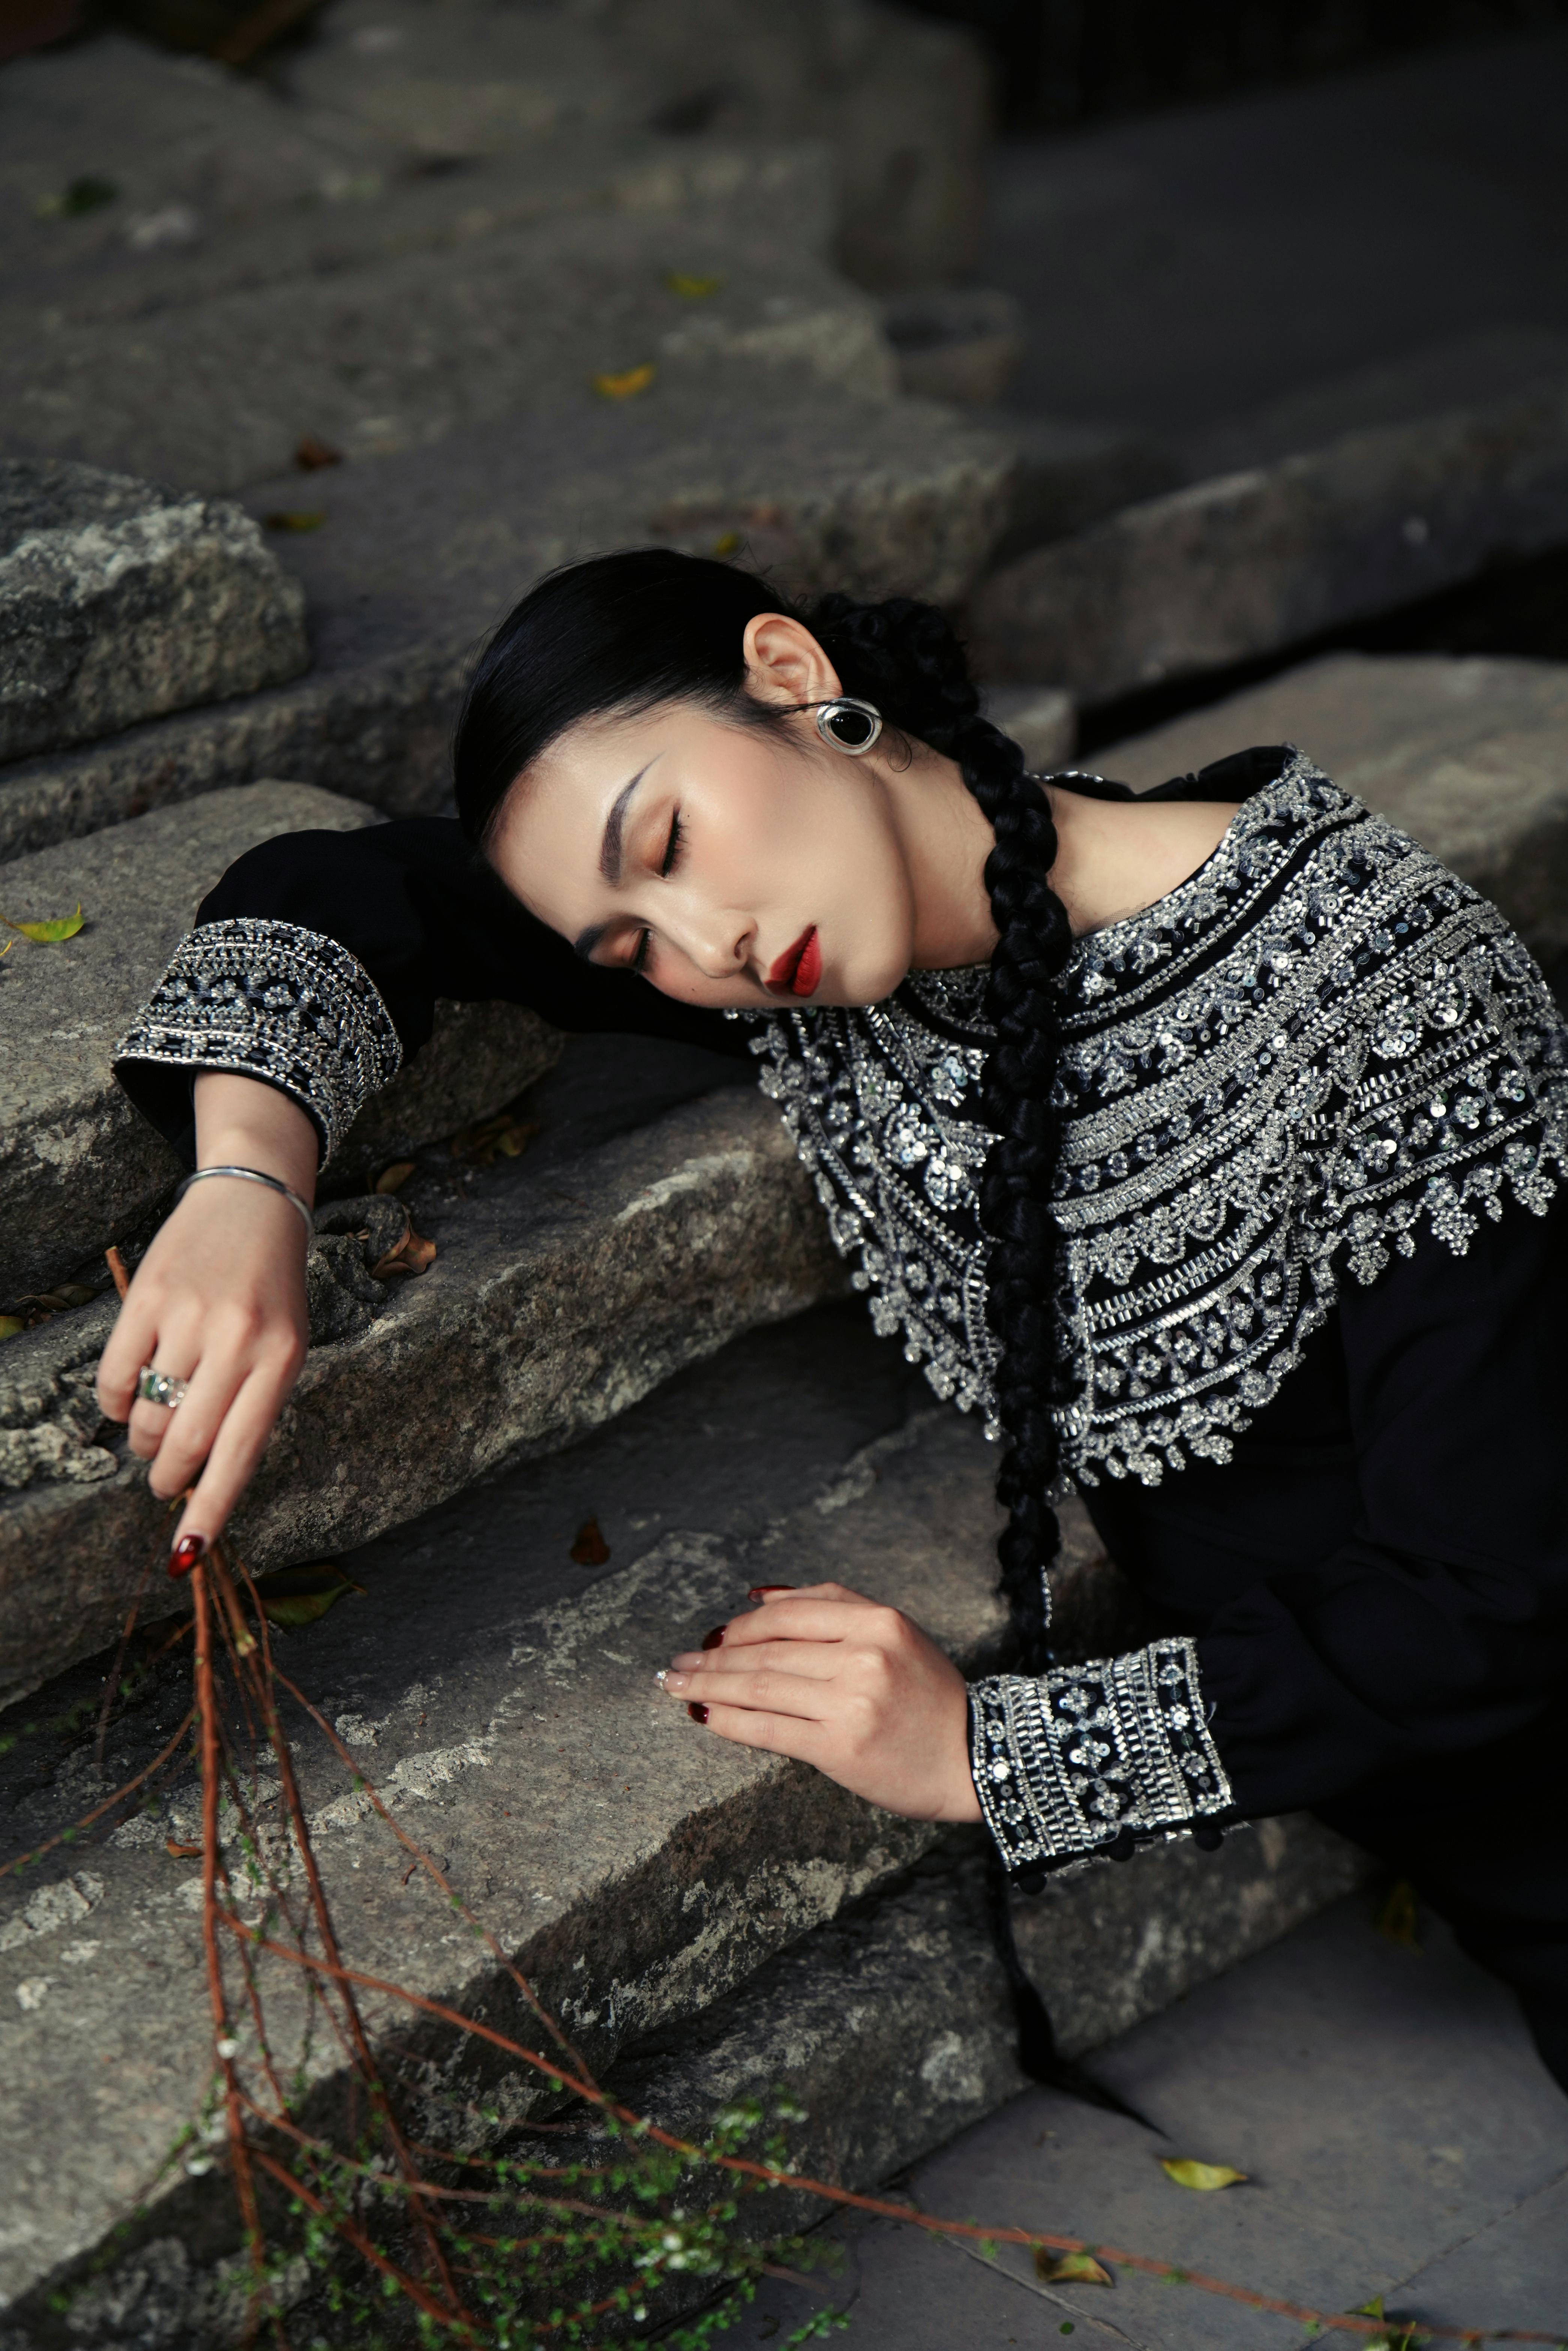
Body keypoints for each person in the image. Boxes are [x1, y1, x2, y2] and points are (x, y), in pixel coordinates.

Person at [100, 551, 1568, 2094]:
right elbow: (334, 886)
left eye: (665, 839)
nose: (698, 945)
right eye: (627, 943)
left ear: (795, 678)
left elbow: (1493, 1595)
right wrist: (249, 1177)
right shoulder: (813, 959)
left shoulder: (1389, 988)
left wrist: (985, 1754)